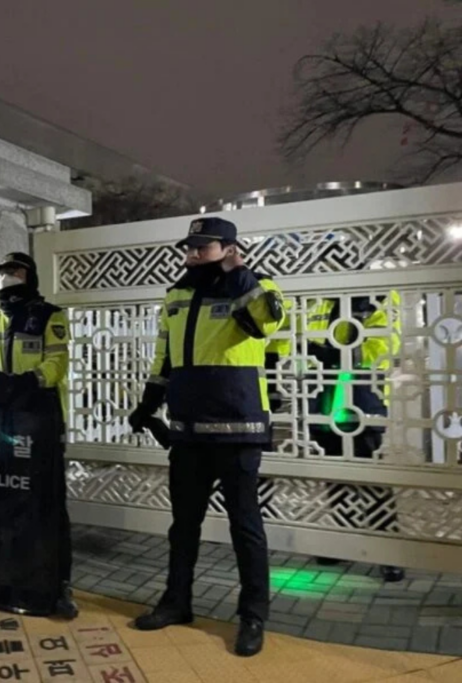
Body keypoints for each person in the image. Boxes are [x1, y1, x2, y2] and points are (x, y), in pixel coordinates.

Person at [127, 217, 285, 657]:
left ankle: (253, 615)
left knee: (245, 527)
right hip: (189, 430)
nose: (193, 254)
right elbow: (165, 357)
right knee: (184, 526)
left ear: (230, 248)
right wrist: (148, 402)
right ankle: (176, 601)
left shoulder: (258, 286)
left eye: (204, 246)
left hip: (240, 430)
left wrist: (239, 274)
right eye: (190, 247)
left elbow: (265, 324)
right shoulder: (177, 294)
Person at [0, 251, 78, 619]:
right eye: (1, 273)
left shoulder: (49, 316)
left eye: (13, 272)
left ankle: (55, 583)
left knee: (44, 503)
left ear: (28, 276)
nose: (6, 279)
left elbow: (56, 363)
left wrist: (28, 382)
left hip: (37, 422)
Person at [305, 292, 405, 582]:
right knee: (336, 480)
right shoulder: (319, 301)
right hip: (325, 403)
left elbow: (383, 345)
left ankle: (388, 553)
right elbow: (306, 346)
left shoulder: (379, 299)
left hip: (363, 403)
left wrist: (336, 352)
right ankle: (343, 543)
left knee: (372, 482)